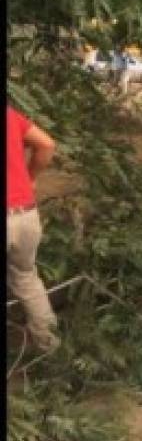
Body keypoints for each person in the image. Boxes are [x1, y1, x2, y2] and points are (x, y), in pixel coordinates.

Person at [7, 104, 60, 353]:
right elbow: (47, 144)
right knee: (26, 277)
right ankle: (51, 348)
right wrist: (30, 179)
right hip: (25, 215)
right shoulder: (9, 114)